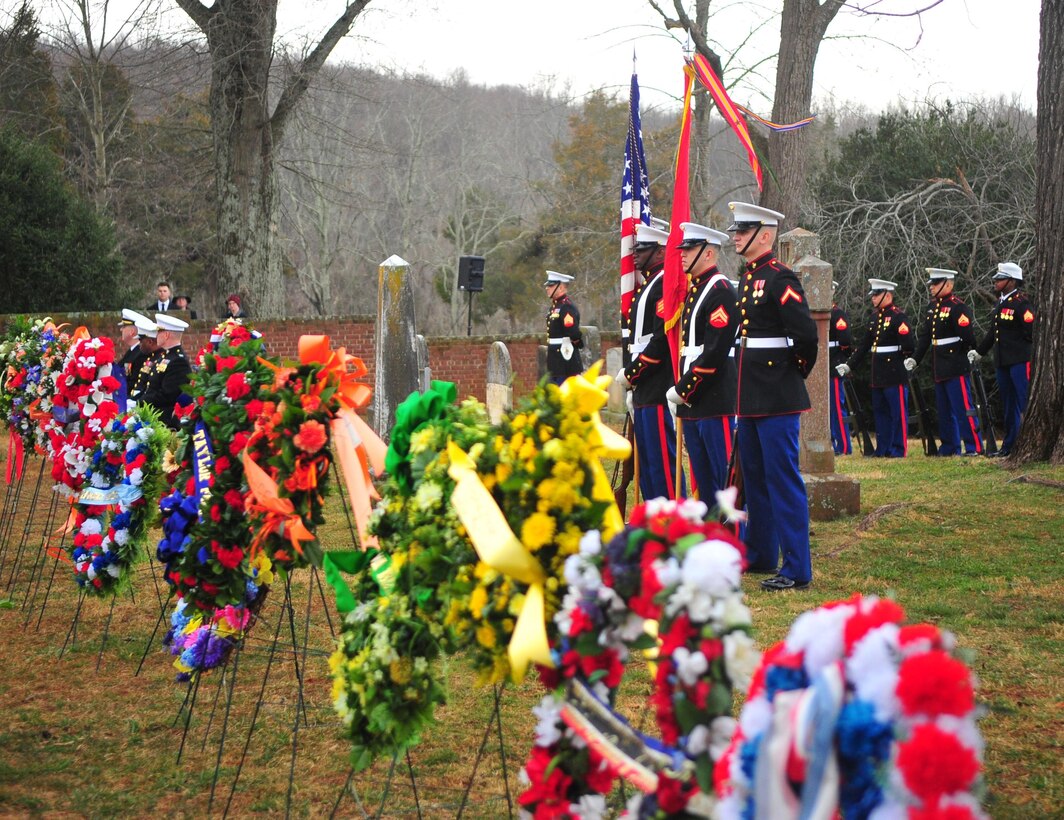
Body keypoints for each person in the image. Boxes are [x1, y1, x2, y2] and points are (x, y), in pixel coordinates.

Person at [728, 201, 817, 591]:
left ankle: (797, 568)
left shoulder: (781, 279)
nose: (735, 236)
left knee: (782, 480)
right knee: (755, 478)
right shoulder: (749, 277)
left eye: (742, 231)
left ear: (765, 235)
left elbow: (807, 338)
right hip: (749, 396)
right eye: (735, 230)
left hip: (777, 395)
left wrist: (788, 375)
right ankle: (763, 554)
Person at [664, 222, 738, 501]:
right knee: (704, 483)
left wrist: (684, 389)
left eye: (690, 248)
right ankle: (709, 539)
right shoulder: (697, 290)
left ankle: (732, 540)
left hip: (713, 397)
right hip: (695, 400)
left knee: (723, 482)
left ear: (709, 253)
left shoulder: (720, 291)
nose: (682, 254)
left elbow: (714, 352)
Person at [617, 222, 684, 500]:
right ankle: (655, 523)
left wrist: (633, 373)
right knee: (646, 465)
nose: (634, 255)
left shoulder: (663, 285)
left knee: (662, 465)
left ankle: (673, 523)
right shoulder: (647, 285)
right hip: (643, 387)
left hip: (656, 383)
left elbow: (659, 341)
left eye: (642, 249)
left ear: (659, 252)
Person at [907, 268, 982, 456]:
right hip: (939, 364)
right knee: (944, 410)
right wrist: (915, 359)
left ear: (948, 283)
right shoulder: (932, 307)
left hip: (955, 364)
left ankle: (974, 446)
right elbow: (925, 338)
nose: (931, 287)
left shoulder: (958, 307)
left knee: (963, 408)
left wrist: (968, 355)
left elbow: (968, 338)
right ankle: (949, 446)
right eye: (931, 283)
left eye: (936, 283)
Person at [837, 279, 915, 457]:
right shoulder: (874, 318)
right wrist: (849, 365)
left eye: (877, 295)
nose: (873, 298)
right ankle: (883, 448)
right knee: (880, 413)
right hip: (878, 373)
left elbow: (909, 346)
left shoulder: (898, 317)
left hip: (894, 372)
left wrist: (903, 364)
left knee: (897, 413)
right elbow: (864, 346)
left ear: (888, 295)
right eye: (873, 295)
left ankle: (898, 449)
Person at [973, 262, 1035, 457]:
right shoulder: (1001, 302)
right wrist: (980, 352)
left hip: (1019, 360)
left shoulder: (1021, 303)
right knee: (1009, 405)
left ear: (1011, 281)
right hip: (1003, 362)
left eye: (1000, 279)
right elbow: (993, 332)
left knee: (1024, 401)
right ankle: (1010, 445)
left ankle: (1031, 443)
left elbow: (1030, 332)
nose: (996, 282)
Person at [141, 314, 192, 429]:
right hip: (153, 413)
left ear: (167, 335)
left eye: (159, 332)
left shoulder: (178, 361)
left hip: (164, 419)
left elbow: (167, 395)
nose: (156, 335)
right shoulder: (165, 356)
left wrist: (141, 402)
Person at [544, 271, 583, 385]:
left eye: (551, 286)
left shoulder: (566, 307)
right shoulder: (555, 307)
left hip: (565, 361)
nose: (547, 288)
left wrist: (576, 344)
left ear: (560, 287)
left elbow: (574, 333)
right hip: (555, 360)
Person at [828, 282, 853, 455]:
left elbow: (845, 341)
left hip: (834, 363)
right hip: (821, 366)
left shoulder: (837, 314)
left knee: (837, 407)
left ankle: (843, 446)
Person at [115, 309, 151, 411]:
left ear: (132, 332)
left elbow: (135, 381)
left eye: (124, 327)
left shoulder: (140, 353)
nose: (121, 330)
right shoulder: (132, 351)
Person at [127, 316, 160, 409]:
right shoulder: (151, 357)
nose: (139, 345)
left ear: (150, 342)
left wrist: (137, 402)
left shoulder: (159, 358)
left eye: (141, 341)